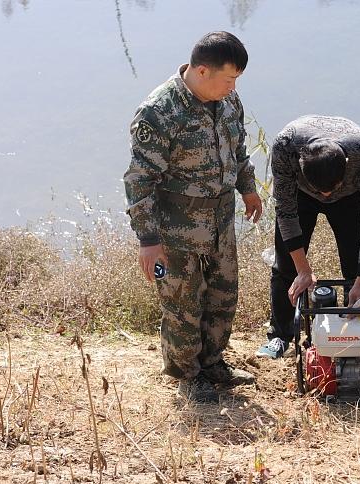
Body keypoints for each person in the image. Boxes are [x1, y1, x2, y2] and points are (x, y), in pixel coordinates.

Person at [123, 31, 262, 403]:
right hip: (176, 230)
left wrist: (247, 188)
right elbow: (139, 181)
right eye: (229, 78)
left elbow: (238, 150)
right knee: (183, 305)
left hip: (220, 222)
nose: (233, 87)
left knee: (223, 297)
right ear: (202, 71)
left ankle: (213, 364)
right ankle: (187, 375)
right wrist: (148, 241)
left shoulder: (228, 101)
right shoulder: (159, 112)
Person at [255, 116, 360, 359]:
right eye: (320, 191)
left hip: (349, 197)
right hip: (301, 195)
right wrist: (303, 269)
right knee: (286, 265)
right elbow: (285, 212)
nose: (325, 195)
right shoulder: (285, 147)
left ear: (347, 164)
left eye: (331, 189)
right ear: (300, 164)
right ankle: (280, 336)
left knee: (355, 264)